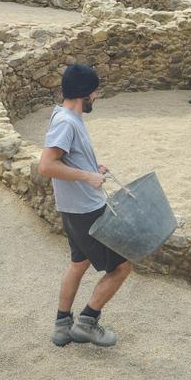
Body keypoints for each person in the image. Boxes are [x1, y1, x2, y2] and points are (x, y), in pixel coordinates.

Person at [38, 64, 132, 348]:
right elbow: (46, 165)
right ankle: (87, 322)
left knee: (79, 263)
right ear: (85, 94)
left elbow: (68, 159)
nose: (97, 97)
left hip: (73, 209)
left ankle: (62, 324)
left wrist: (93, 166)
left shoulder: (64, 115)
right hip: (87, 210)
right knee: (122, 267)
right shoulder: (67, 123)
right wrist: (87, 176)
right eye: (95, 92)